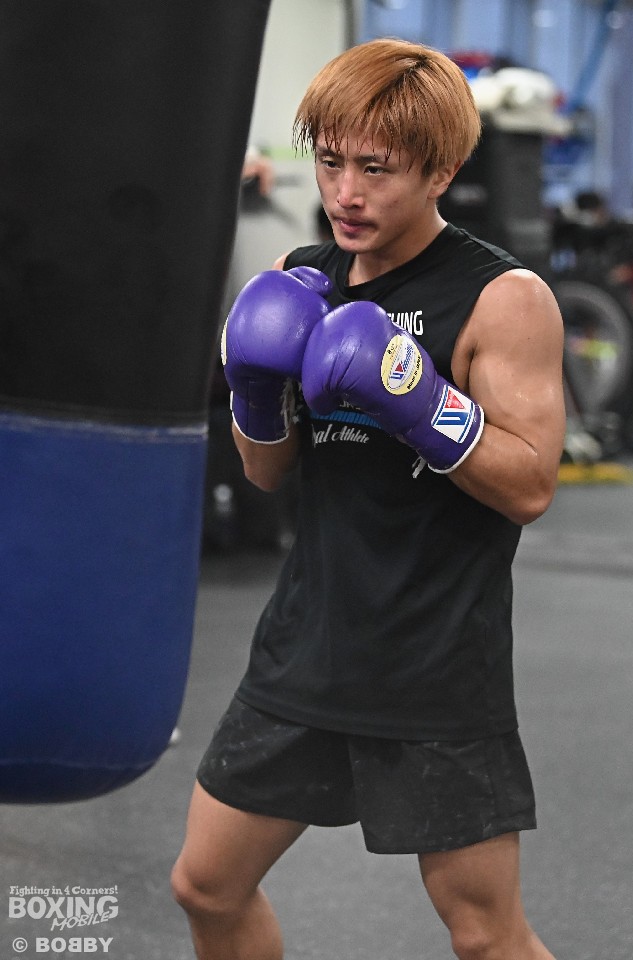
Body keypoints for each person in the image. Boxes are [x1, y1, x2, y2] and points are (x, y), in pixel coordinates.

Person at [171, 38, 566, 960]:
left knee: (485, 936)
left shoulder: (502, 298)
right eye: (331, 162)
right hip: (305, 647)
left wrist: (421, 403)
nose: (345, 193)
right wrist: (255, 395)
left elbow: (532, 484)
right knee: (205, 887)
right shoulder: (302, 278)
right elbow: (267, 474)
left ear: (441, 171)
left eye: (376, 169)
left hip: (434, 660)